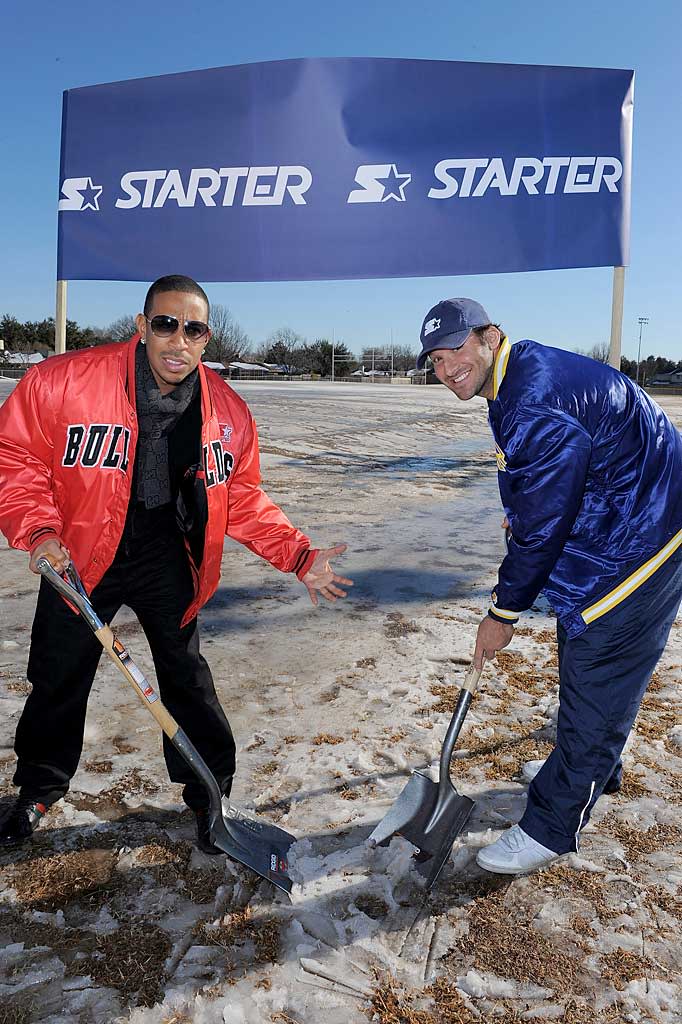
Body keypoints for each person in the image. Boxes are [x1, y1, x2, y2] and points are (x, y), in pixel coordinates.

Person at [0, 275, 352, 853]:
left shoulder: (228, 412)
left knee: (186, 678)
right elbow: (16, 456)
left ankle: (211, 792)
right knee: (58, 674)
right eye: (166, 324)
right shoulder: (61, 381)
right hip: (82, 550)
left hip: (171, 550)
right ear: (142, 326)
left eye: (193, 330)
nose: (177, 340)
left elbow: (241, 496)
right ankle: (39, 787)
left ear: (206, 340)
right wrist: (39, 530)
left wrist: (298, 554)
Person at [416, 298, 682, 874]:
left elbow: (541, 531)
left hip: (640, 543)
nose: (446, 369)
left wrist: (502, 613)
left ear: (491, 336)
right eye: (436, 360)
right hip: (627, 517)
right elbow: (547, 488)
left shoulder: (533, 401)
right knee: (589, 663)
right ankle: (593, 767)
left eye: (456, 349)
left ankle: (553, 827)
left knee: (597, 663)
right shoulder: (518, 375)